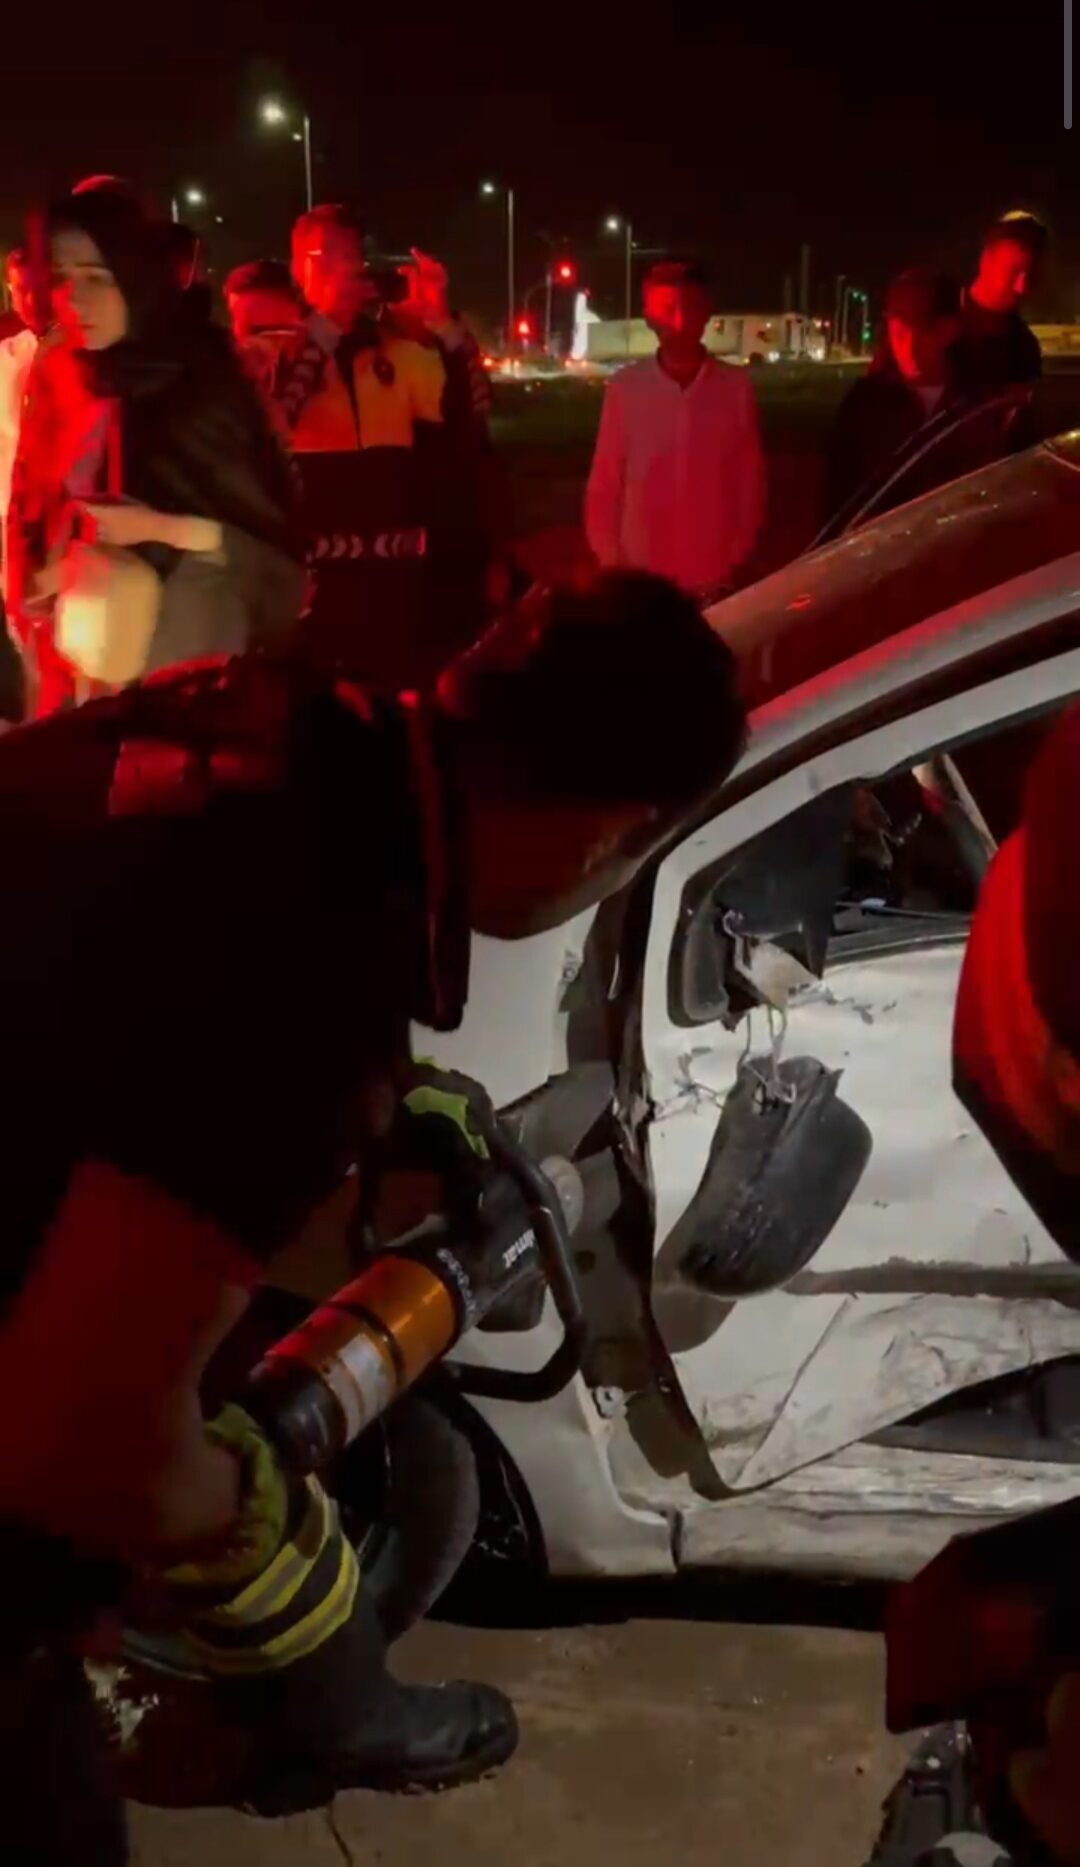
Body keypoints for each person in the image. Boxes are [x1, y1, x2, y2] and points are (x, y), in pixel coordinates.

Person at [0, 568, 747, 1862]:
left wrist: (388, 1098)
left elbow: (109, 1027)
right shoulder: (302, 946)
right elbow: (84, 1443)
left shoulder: (280, 725)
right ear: (612, 835)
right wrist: (269, 1560)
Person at [6, 188, 304, 714]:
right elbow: (32, 510)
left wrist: (160, 530)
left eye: (97, 278)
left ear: (136, 275)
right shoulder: (59, 374)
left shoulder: (204, 378)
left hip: (190, 674)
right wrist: (46, 576)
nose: (74, 299)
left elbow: (270, 557)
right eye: (60, 277)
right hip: (73, 682)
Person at [585, 257, 765, 606]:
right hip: (641, 585)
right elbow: (604, 485)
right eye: (667, 310)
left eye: (690, 307)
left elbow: (750, 481)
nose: (679, 322)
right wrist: (613, 564)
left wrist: (735, 556)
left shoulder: (734, 388)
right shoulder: (626, 389)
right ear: (649, 317)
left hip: (713, 582)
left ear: (707, 312)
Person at [825, 267, 963, 520]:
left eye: (922, 330)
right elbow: (838, 504)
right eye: (900, 332)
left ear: (949, 329)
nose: (909, 347)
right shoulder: (863, 407)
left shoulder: (975, 402)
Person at [951, 210, 1047, 393]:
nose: (1021, 287)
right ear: (986, 260)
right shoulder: (934, 315)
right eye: (1013, 271)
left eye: (1031, 275)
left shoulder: (1025, 349)